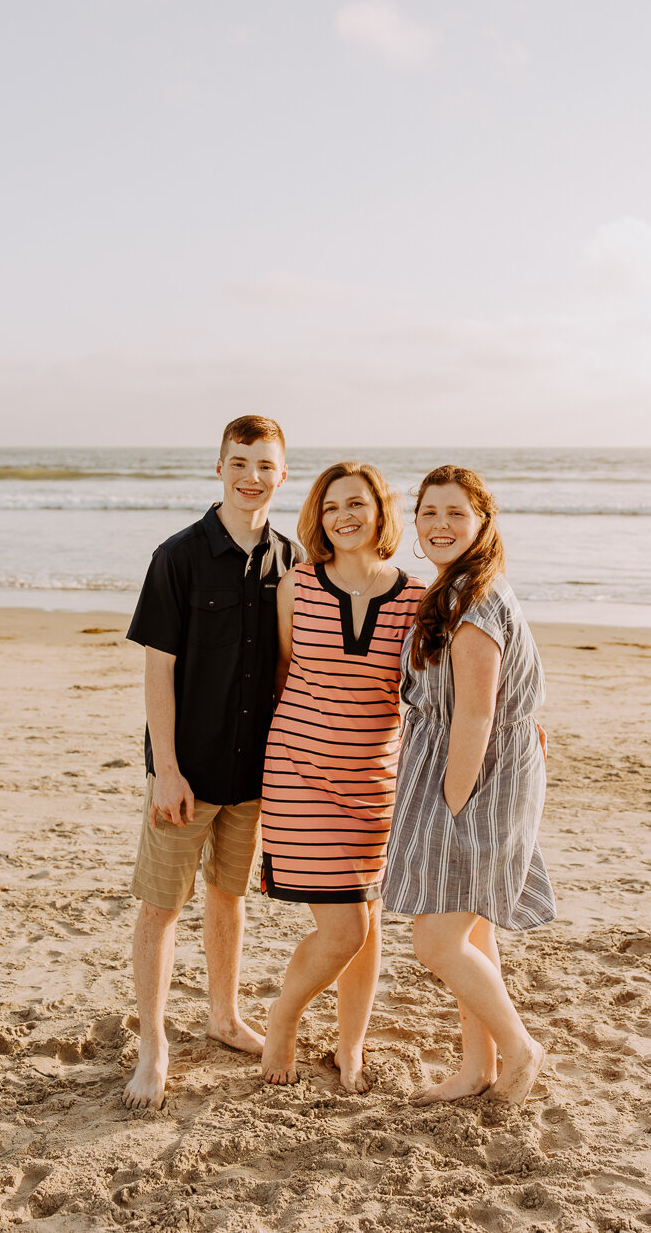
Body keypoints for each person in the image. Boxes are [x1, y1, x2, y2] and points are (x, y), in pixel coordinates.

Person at [122, 415, 304, 1110]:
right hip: (185, 771)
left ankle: (224, 1016)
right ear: (218, 467)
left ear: (282, 473)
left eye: (265, 464)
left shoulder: (291, 561)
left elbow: (292, 670)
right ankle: (153, 1045)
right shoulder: (177, 556)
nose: (251, 476)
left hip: (253, 774)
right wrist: (166, 768)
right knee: (161, 906)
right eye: (239, 462)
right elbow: (158, 672)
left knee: (228, 897)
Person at [382, 466, 555, 1106]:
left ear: (482, 520)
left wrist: (453, 802)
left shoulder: (472, 600)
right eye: (429, 513)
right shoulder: (461, 587)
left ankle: (519, 1048)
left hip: (473, 780)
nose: (440, 525)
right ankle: (476, 1066)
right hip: (478, 769)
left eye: (456, 513)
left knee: (435, 937)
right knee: (472, 931)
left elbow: (477, 712)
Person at [259, 462, 425, 1092]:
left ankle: (350, 1045)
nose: (343, 517)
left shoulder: (415, 597)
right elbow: (280, 675)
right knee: (344, 926)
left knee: (367, 919)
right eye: (331, 508)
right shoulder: (297, 586)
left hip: (378, 782)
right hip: (300, 773)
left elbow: (435, 689)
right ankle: (284, 1017)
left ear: (381, 511)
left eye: (356, 504)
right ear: (318, 519)